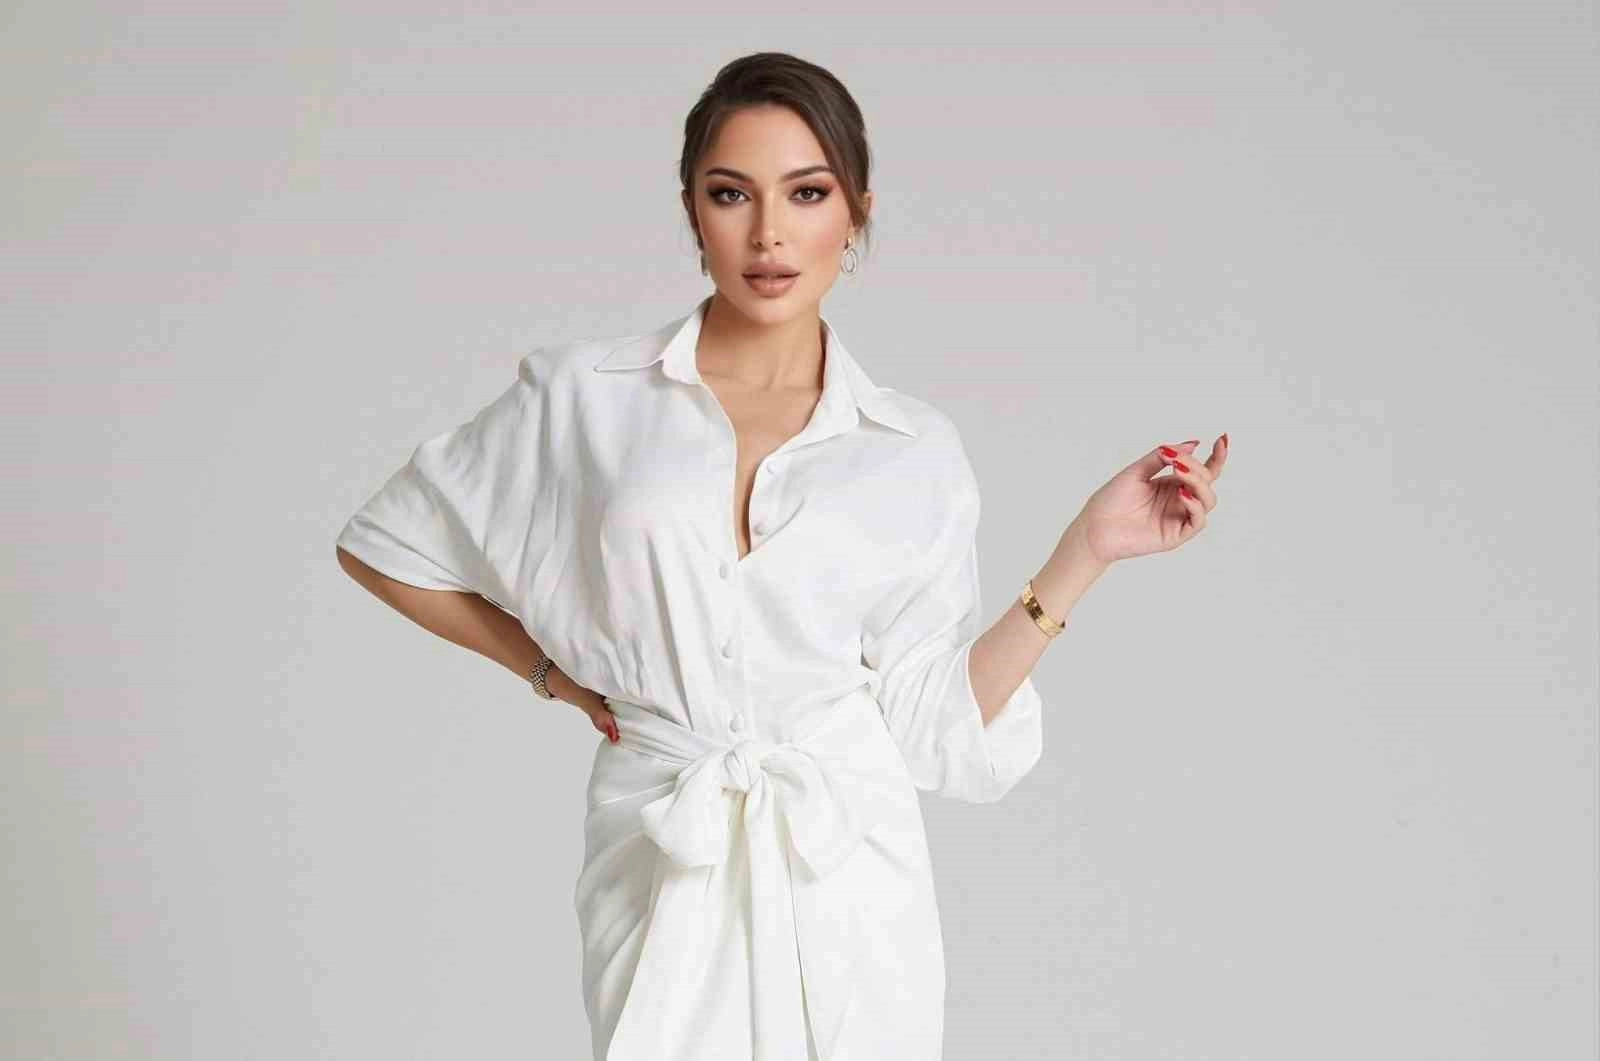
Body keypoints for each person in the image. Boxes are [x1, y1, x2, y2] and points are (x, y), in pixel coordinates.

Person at [334, 50, 1228, 1061]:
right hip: (659, 836)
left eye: (807, 193)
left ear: (856, 213)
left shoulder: (910, 448)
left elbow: (933, 721)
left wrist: (1087, 549)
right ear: (691, 210)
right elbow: (388, 544)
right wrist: (547, 671)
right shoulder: (587, 395)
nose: (768, 233)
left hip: (847, 865)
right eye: (731, 194)